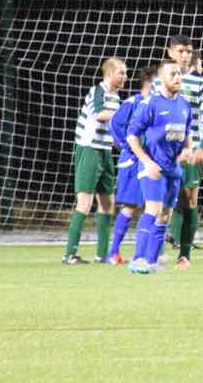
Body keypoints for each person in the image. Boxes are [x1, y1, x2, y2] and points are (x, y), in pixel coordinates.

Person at [152, 36, 203, 270]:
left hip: (191, 151)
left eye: (189, 51)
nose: (186, 55)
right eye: (181, 51)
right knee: (159, 202)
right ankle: (155, 252)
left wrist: (202, 147)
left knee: (189, 201)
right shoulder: (159, 81)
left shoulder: (201, 83)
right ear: (170, 52)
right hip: (164, 152)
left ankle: (184, 255)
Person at [126, 60, 193, 274]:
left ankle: (151, 262)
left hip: (173, 168)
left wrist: (188, 150)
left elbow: (187, 133)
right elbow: (131, 136)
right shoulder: (151, 104)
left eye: (179, 73)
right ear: (161, 78)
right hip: (152, 167)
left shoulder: (184, 105)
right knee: (153, 210)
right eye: (172, 74)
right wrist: (147, 162)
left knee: (165, 215)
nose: (177, 77)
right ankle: (138, 259)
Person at [63, 57, 127, 264]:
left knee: (108, 203)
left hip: (105, 151)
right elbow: (100, 114)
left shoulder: (116, 97)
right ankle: (70, 255)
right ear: (109, 74)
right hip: (89, 149)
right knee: (85, 202)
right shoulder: (97, 91)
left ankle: (102, 255)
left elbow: (113, 127)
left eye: (125, 73)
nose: (125, 77)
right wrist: (126, 113)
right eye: (121, 73)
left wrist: (126, 146)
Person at [106, 66, 156, 265]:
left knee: (154, 205)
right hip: (133, 161)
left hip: (150, 160)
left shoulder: (156, 104)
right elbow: (114, 124)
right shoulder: (133, 102)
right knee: (131, 206)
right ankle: (113, 253)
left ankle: (149, 253)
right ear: (150, 83)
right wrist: (128, 146)